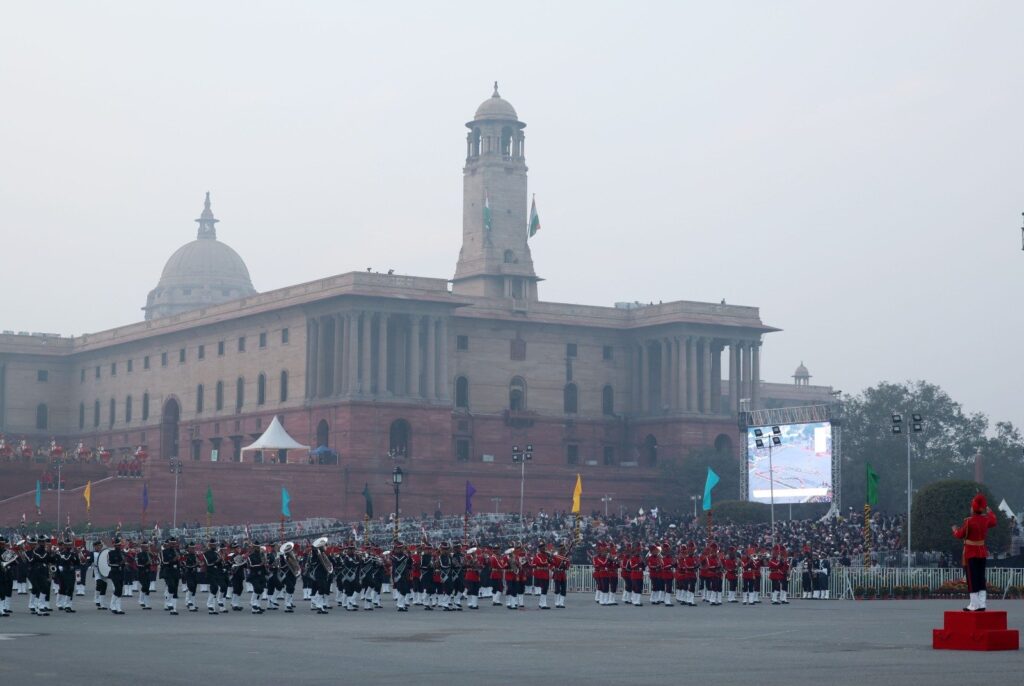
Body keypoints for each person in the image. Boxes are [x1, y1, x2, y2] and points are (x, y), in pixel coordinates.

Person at [953, 493, 999, 612]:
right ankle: (982, 603)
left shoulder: (969, 521)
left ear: (973, 508)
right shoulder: (985, 520)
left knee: (971, 578)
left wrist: (954, 530)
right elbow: (994, 521)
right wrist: (989, 511)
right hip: (982, 552)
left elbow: (960, 535)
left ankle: (974, 604)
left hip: (971, 553)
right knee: (980, 577)